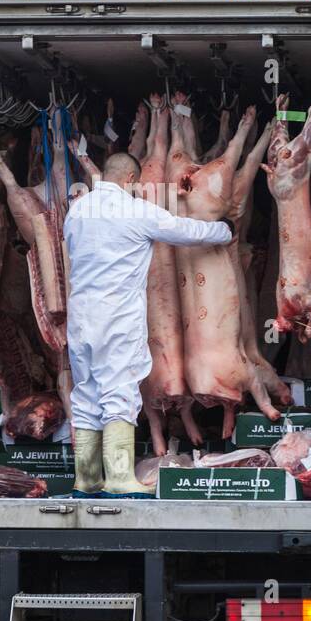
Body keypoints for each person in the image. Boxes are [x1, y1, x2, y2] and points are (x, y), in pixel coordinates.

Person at [63, 150, 233, 497]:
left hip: (81, 316)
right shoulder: (134, 210)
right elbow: (183, 230)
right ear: (129, 181)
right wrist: (223, 231)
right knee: (119, 391)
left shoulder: (78, 210)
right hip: (116, 316)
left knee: (86, 393)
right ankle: (121, 477)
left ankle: (87, 479)